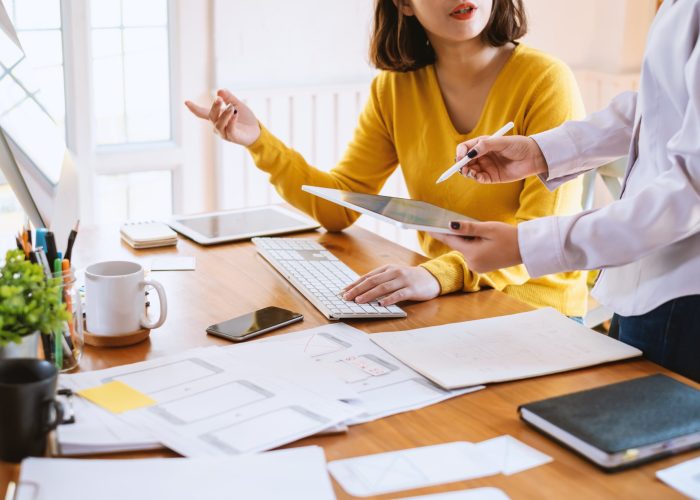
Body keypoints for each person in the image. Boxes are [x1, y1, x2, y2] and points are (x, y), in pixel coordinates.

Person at [186, 0, 589, 317]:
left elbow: (538, 236)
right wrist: (259, 142)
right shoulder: (395, 89)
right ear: (404, 4)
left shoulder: (546, 80)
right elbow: (340, 205)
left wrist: (436, 275)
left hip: (537, 309)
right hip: (453, 299)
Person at [433, 0, 700, 381]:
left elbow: (690, 193)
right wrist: (540, 152)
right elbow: (657, 108)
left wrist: (526, 246)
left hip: (682, 294)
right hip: (645, 284)